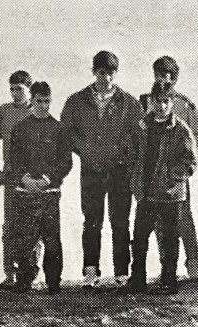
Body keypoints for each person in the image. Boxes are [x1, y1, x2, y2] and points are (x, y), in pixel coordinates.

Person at [60, 51, 142, 288]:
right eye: (101, 72)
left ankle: (122, 272)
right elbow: (67, 132)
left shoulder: (129, 102)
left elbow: (136, 134)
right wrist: (85, 150)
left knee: (120, 221)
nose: (106, 78)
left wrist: (120, 151)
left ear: (116, 74)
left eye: (110, 73)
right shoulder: (76, 101)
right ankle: (90, 271)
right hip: (91, 171)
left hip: (119, 171)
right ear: (94, 72)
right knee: (92, 221)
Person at [127, 84, 198, 294]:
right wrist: (134, 178)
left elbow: (190, 162)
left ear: (172, 103)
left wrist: (170, 177)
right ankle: (137, 280)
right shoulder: (141, 127)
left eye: (166, 101)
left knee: (169, 239)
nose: (161, 105)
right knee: (139, 238)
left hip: (170, 195)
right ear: (150, 101)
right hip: (146, 193)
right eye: (157, 100)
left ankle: (169, 280)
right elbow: (131, 153)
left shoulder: (181, 129)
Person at [141, 56, 198, 281]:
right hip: (153, 175)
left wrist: (179, 161)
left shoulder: (185, 103)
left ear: (175, 77)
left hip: (176, 176)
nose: (164, 79)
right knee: (160, 223)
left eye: (168, 75)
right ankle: (166, 268)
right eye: (159, 74)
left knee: (184, 217)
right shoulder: (147, 100)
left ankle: (193, 261)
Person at [6, 81, 73, 293]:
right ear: (32, 101)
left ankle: (53, 282)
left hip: (49, 194)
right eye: (39, 101)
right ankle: (24, 279)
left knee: (51, 239)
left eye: (47, 101)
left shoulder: (59, 129)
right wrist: (25, 179)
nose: (44, 105)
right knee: (24, 238)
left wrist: (47, 180)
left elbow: (65, 162)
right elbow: (14, 160)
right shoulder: (21, 128)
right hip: (25, 193)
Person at [0, 70, 36, 289]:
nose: (15, 93)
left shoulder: (37, 110)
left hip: (35, 180)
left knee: (34, 226)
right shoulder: (3, 112)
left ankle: (32, 273)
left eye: (20, 89)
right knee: (11, 227)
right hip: (12, 178)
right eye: (12, 89)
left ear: (29, 89)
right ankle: (10, 274)